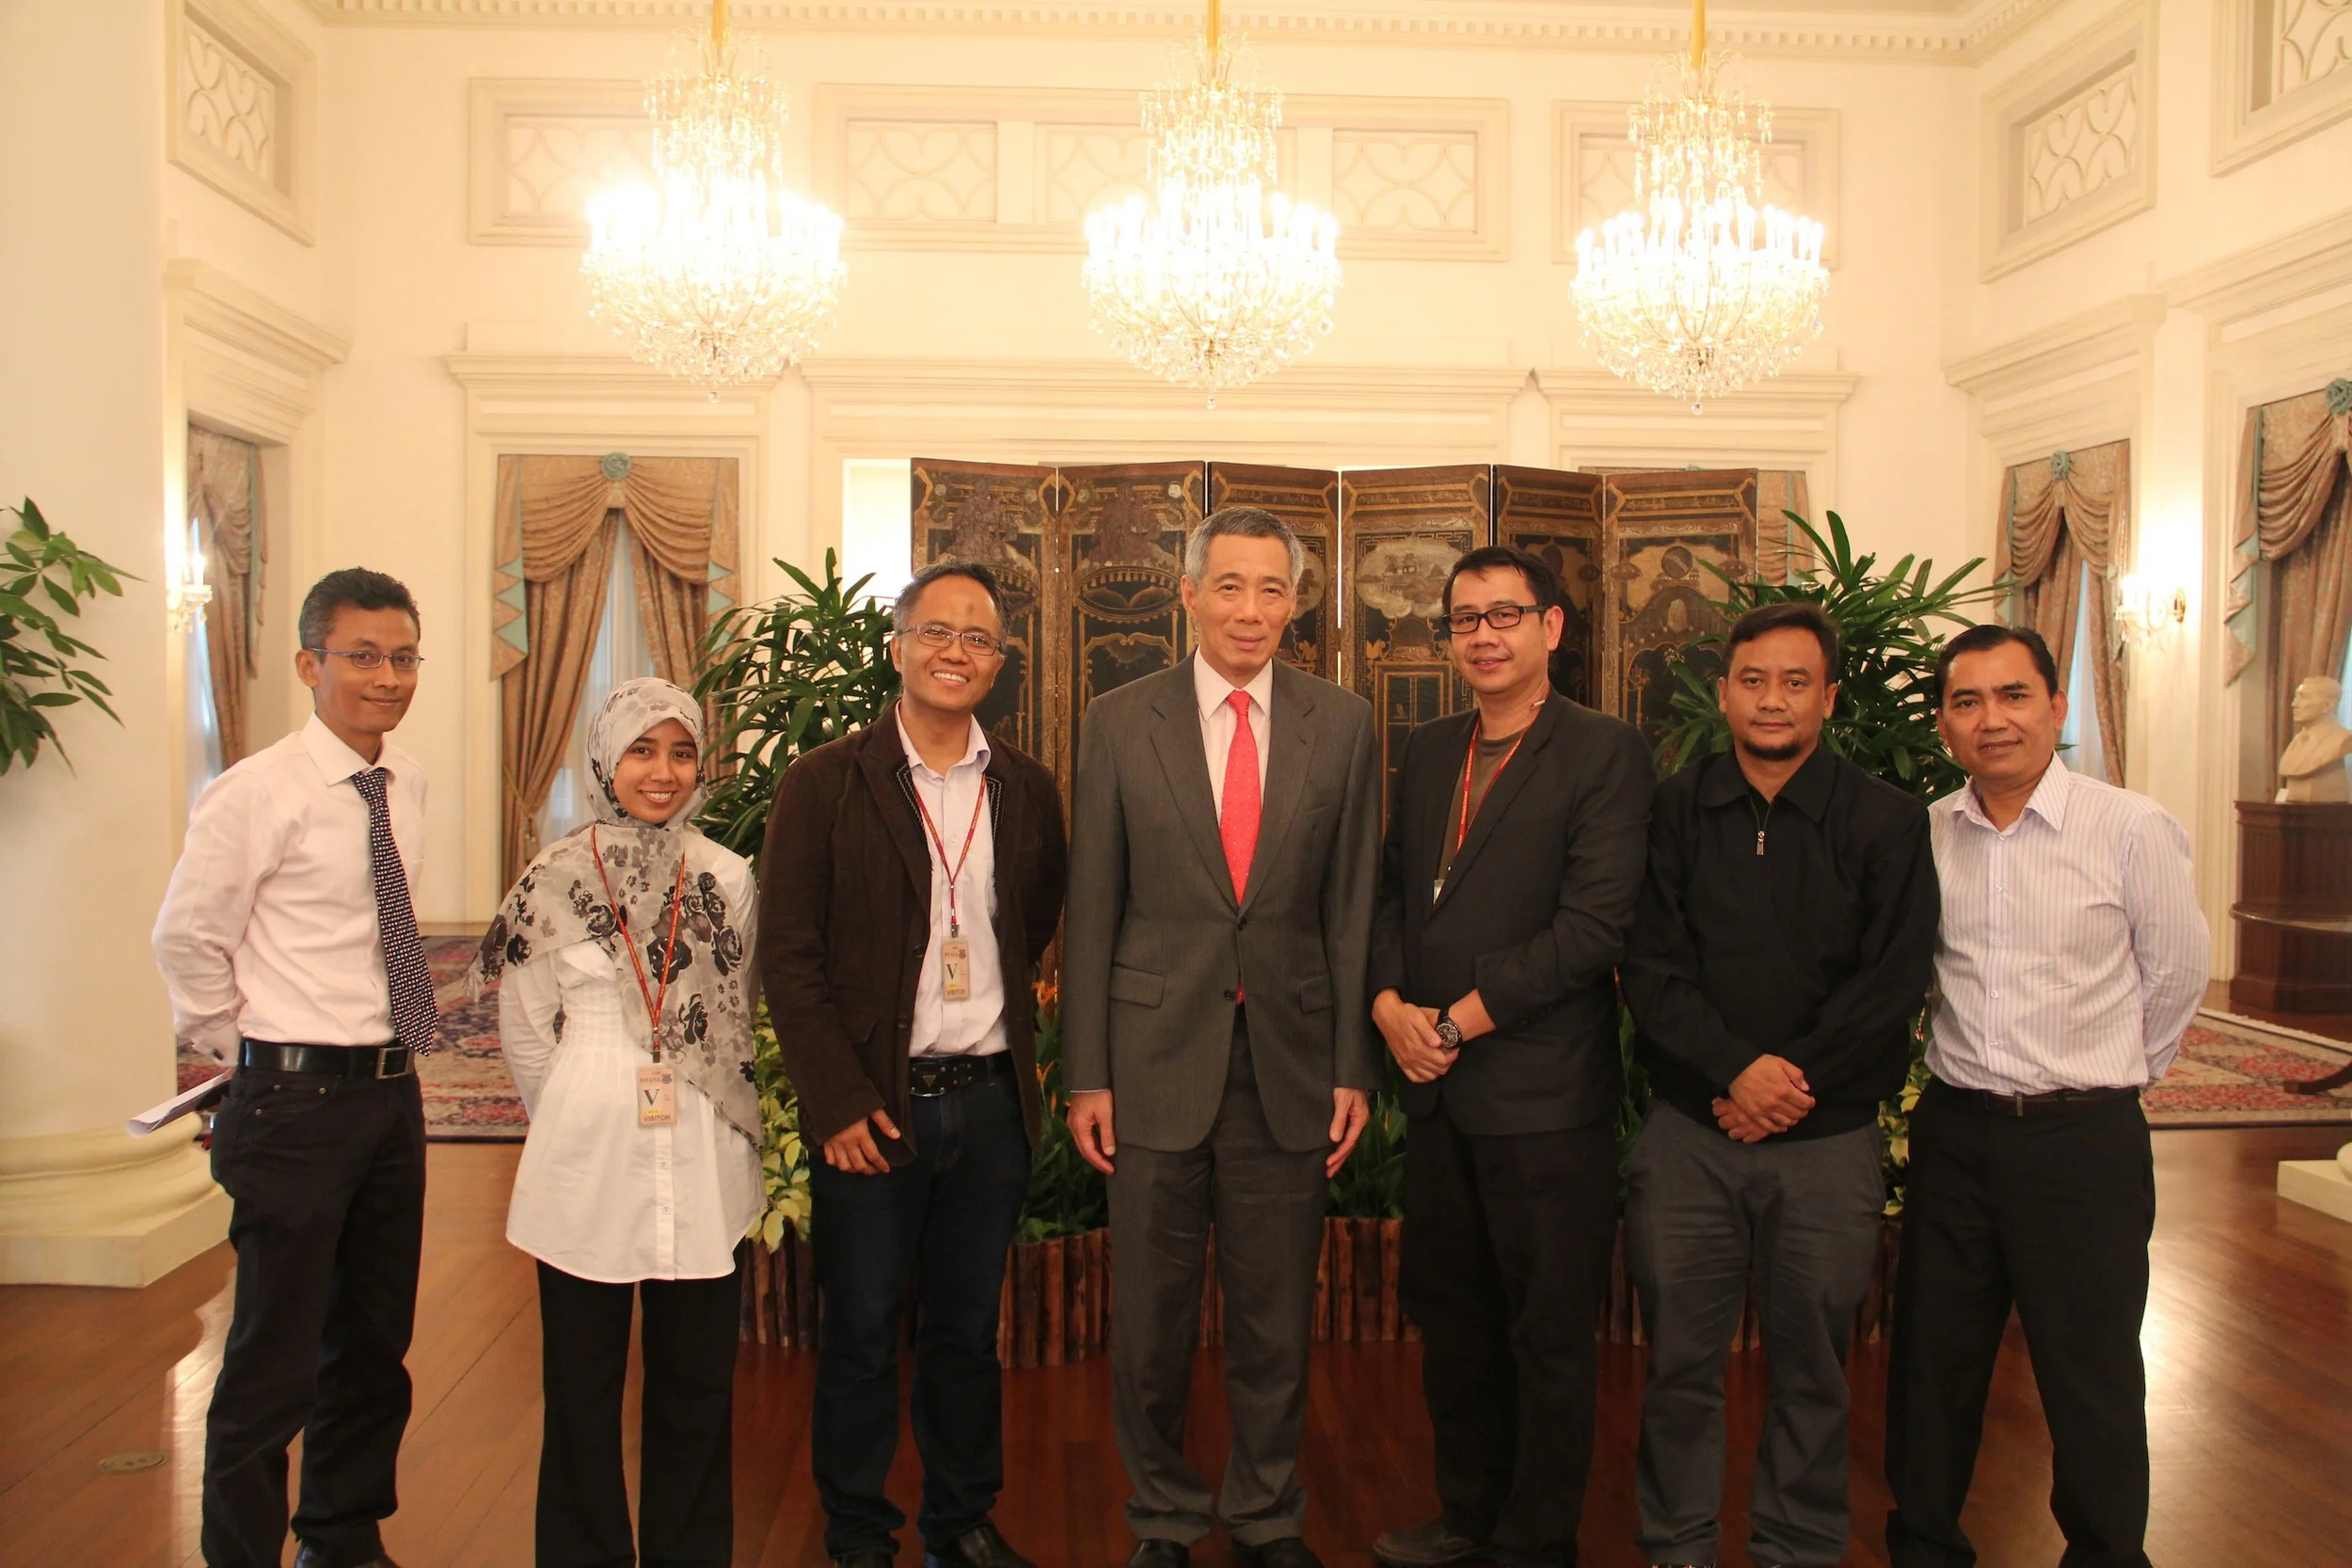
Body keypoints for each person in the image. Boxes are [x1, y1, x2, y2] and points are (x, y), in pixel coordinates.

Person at [1061, 506, 1381, 1568]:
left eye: (1272, 589)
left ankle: (1266, 1512)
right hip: (1151, 1062)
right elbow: (1093, 903)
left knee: (1275, 1317)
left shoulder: (1343, 722)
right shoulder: (1119, 718)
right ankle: (1161, 1514)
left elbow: (1351, 907)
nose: (1252, 609)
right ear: (1188, 595)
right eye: (1230, 585)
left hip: (1290, 1063)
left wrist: (1352, 1065)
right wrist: (1087, 1073)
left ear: (1296, 604)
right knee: (1151, 1321)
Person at [759, 562, 1068, 1568]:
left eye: (978, 637)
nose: (955, 651)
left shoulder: (1025, 787)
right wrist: (837, 1100)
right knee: (858, 1331)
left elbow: (1031, 921)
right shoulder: (826, 782)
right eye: (936, 630)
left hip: (989, 1104)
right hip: (874, 1111)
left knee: (966, 1333)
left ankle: (960, 1520)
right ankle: (858, 1531)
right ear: (897, 646)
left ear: (999, 662)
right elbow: (788, 955)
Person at [1620, 602, 1939, 1568]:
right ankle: (1677, 1544)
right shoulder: (1672, 809)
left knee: (1813, 1369)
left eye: (1794, 681)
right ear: (1723, 693)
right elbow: (1650, 967)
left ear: (1828, 697)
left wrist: (1787, 1083)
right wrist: (1734, 1071)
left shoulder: (1887, 819)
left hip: (1826, 1138)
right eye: (1752, 680)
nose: (1771, 699)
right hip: (1691, 1130)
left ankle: (1797, 1546)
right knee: (1679, 1364)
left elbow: (1891, 980)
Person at [1885, 624, 2208, 1568]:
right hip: (1956, 1132)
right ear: (1944, 722)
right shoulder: (1926, 832)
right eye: (1967, 700)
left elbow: (2176, 974)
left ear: (2056, 706)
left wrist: (2104, 1078)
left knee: (2089, 1370)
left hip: (2083, 1143)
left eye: (2014, 694)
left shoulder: (2129, 826)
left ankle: (2106, 1553)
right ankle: (1925, 1546)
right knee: (1933, 1363)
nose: (1992, 718)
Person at [1365, 545, 1655, 1568]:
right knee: (1454, 1319)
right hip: (1436, 1098)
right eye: (1464, 619)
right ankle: (1466, 1516)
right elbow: (1393, 894)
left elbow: (1593, 928)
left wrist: (1454, 1022)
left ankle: (1536, 1540)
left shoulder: (1604, 751)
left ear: (1551, 627)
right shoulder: (1429, 747)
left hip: (1543, 1103)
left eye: (1504, 614)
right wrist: (1388, 1002)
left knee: (1546, 1337)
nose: (1482, 635)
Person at [153, 568, 434, 1568]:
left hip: (393, 1094)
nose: (387, 676)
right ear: (312, 665)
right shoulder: (257, 790)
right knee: (273, 1356)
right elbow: (188, 937)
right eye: (363, 656)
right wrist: (251, 1052)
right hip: (294, 1102)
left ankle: (342, 1537)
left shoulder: (405, 783)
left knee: (373, 1345)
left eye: (404, 657)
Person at [470, 676, 759, 1568]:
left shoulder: (727, 874)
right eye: (641, 749)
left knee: (697, 1385)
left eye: (681, 752)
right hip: (587, 1142)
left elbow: (738, 1010)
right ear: (605, 759)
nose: (662, 772)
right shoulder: (553, 876)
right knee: (581, 1388)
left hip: (703, 1142)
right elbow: (525, 1027)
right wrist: (574, 1112)